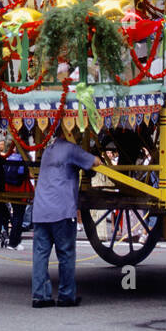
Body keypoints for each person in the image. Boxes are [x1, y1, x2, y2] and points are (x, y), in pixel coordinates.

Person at [29, 115, 100, 309]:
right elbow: (95, 162)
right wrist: (97, 158)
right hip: (61, 211)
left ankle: (40, 296)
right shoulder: (71, 150)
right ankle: (66, 295)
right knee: (66, 254)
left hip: (41, 210)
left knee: (40, 254)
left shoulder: (47, 151)